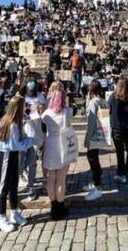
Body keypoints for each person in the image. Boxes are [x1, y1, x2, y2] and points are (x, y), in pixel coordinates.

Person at [0, 95, 36, 233]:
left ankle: (14, 212)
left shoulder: (13, 122)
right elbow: (15, 144)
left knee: (13, 185)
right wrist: (31, 141)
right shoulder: (11, 124)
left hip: (12, 155)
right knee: (4, 186)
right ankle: (1, 217)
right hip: (6, 155)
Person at [41, 82, 74, 220]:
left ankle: (54, 206)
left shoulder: (46, 114)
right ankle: (60, 207)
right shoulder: (68, 111)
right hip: (63, 145)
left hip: (50, 145)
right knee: (61, 179)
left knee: (51, 178)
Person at [21, 80, 46, 201]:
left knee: (33, 156)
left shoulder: (40, 95)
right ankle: (24, 174)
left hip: (37, 125)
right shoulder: (21, 97)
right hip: (26, 127)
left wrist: (41, 109)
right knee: (25, 156)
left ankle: (30, 183)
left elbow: (44, 110)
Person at [109, 78, 128, 184]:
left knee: (120, 152)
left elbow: (109, 111)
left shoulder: (112, 97)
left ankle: (121, 173)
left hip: (117, 128)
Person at [83, 80, 105, 201]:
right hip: (101, 133)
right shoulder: (103, 102)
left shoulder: (93, 103)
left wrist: (87, 139)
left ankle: (98, 186)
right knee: (94, 157)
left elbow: (90, 123)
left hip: (93, 135)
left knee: (92, 159)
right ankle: (95, 181)